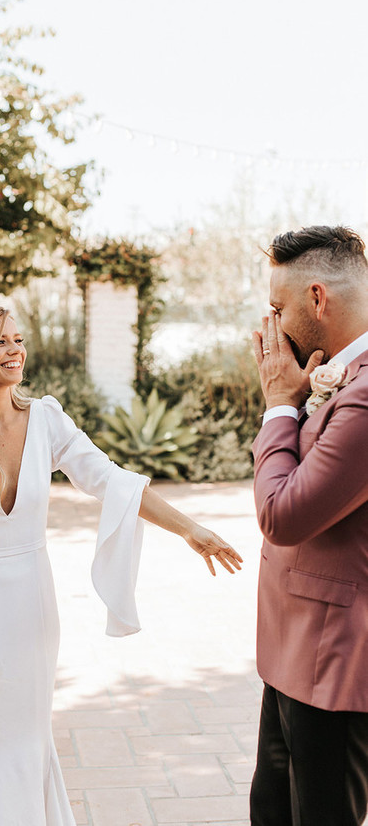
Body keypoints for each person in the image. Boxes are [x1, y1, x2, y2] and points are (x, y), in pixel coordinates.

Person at [0, 302, 243, 826]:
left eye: (18, 339)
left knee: (25, 735)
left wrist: (191, 529)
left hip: (31, 607)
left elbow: (111, 479)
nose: (15, 350)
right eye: (0, 341)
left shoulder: (46, 419)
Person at [250, 225, 368, 826]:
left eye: (279, 307)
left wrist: (278, 403)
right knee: (271, 812)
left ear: (317, 299)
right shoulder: (334, 376)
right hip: (293, 649)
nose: (270, 324)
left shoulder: (366, 396)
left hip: (334, 663)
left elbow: (283, 515)